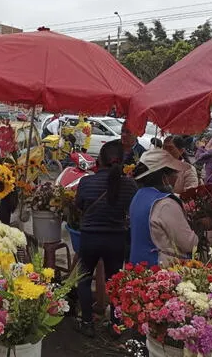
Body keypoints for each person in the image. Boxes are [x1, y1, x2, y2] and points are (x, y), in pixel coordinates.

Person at [75, 140, 138, 337]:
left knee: (84, 280)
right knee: (115, 282)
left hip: (90, 238)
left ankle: (87, 323)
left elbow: (79, 205)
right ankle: (116, 324)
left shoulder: (86, 182)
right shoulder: (129, 185)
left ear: (100, 160)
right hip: (116, 239)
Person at [129, 149, 198, 266]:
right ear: (164, 177)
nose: (176, 176)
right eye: (174, 173)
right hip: (159, 269)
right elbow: (189, 244)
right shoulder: (166, 204)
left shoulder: (139, 195)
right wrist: (200, 227)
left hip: (138, 264)